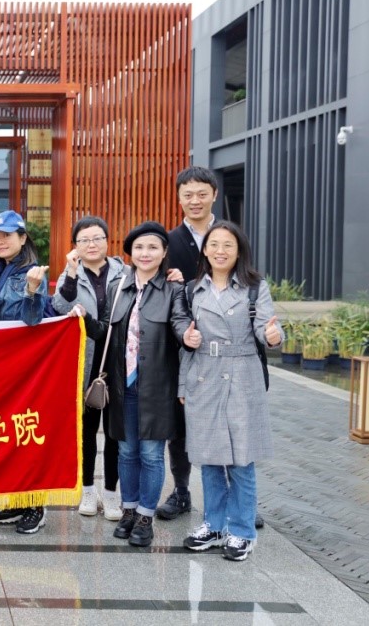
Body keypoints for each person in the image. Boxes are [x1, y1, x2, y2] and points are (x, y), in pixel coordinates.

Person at [72, 221, 192, 547]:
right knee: (126, 452)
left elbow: (180, 322)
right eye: (139, 247)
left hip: (157, 388)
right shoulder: (118, 288)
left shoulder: (173, 289)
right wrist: (84, 318)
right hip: (122, 386)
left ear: (164, 252)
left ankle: (145, 516)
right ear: (130, 253)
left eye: (152, 247)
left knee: (151, 454)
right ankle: (128, 509)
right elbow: (104, 331)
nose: (145, 253)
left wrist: (187, 335)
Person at [180, 221, 282, 561]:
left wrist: (274, 336)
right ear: (205, 250)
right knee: (209, 459)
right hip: (203, 376)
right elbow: (186, 341)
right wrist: (183, 380)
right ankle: (214, 525)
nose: (220, 251)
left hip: (242, 375)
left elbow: (266, 327)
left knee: (241, 459)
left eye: (228, 245)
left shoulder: (254, 288)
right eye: (214, 244)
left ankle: (242, 530)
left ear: (239, 251)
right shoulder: (193, 289)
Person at [51, 215, 125, 522]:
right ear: (75, 246)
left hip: (118, 361)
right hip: (86, 361)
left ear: (108, 241)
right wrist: (70, 272)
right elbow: (59, 305)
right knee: (86, 431)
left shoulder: (124, 272)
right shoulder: (72, 274)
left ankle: (111, 492)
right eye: (84, 240)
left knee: (114, 432)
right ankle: (88, 490)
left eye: (97, 238)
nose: (91, 245)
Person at [0, 210, 49, 534]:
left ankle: (35, 505)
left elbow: (32, 319)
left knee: (25, 433)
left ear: (23, 238)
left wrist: (32, 290)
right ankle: (17, 499)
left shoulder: (31, 273)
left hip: (24, 368)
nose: (0, 241)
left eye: (7, 235)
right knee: (6, 435)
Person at [158, 166, 219, 522]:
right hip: (180, 346)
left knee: (225, 421)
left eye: (201, 194)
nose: (195, 201)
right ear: (179, 198)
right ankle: (181, 491)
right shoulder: (169, 241)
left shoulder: (230, 236)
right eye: (187, 195)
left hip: (224, 346)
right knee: (178, 424)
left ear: (214, 195)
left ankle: (231, 499)